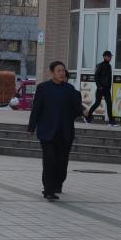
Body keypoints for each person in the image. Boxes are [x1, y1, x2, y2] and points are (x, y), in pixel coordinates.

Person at [28, 60, 83, 200]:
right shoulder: (43, 88)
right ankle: (48, 190)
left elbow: (77, 110)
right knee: (49, 160)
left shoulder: (70, 89)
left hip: (65, 133)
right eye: (58, 71)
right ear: (51, 73)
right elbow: (36, 108)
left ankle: (57, 183)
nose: (61, 73)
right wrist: (31, 127)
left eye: (63, 71)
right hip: (47, 132)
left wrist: (77, 103)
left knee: (62, 163)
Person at [86, 50, 117, 125]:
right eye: (109, 56)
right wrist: (99, 86)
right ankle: (88, 118)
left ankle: (111, 121)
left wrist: (109, 87)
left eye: (110, 56)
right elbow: (96, 76)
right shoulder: (100, 65)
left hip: (107, 89)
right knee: (97, 103)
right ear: (104, 57)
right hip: (101, 88)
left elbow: (109, 78)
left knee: (109, 104)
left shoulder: (109, 66)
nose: (110, 58)